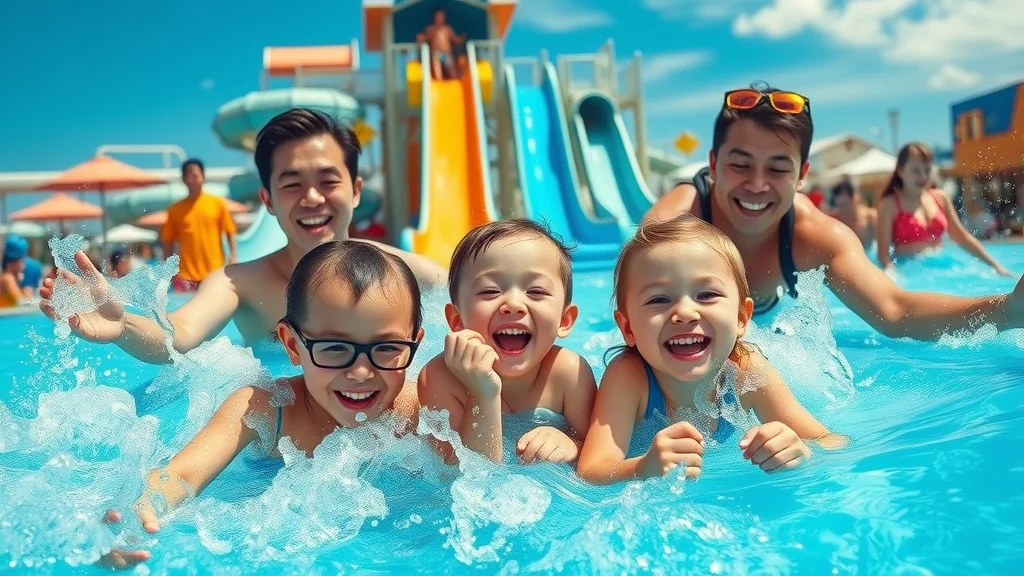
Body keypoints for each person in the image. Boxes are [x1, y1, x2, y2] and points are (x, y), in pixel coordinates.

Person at [96, 240, 425, 569]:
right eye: (334, 348)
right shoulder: (267, 409)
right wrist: (143, 508)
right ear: (292, 345)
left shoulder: (418, 410)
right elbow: (182, 473)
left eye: (387, 348)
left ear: (415, 343)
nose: (360, 371)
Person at [39, 108, 446, 363]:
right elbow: (177, 336)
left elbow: (467, 304)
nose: (312, 197)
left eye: (328, 180)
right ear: (267, 199)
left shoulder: (403, 269)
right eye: (291, 184)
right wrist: (123, 326)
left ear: (355, 190)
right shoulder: (241, 283)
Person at [644, 83, 1024, 340]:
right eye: (740, 164)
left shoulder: (813, 236)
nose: (757, 184)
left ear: (801, 176)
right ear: (712, 164)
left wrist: (1008, 311)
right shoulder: (675, 226)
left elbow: (893, 311)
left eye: (778, 168)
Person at [576, 216, 846, 484]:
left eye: (707, 295)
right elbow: (592, 470)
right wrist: (642, 468)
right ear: (628, 328)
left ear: (741, 318)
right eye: (659, 299)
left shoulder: (746, 370)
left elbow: (832, 441)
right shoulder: (629, 377)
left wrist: (800, 451)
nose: (684, 312)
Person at [417, 220, 597, 465]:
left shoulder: (568, 373)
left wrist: (572, 445)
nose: (513, 304)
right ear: (457, 320)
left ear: (564, 320)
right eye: (490, 291)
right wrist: (483, 394)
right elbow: (464, 475)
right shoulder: (439, 377)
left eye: (536, 292)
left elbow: (599, 457)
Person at [876, 142, 1011, 276]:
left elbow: (962, 237)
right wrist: (894, 276)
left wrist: (995, 266)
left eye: (927, 170)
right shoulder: (889, 205)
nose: (923, 176)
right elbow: (883, 254)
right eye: (916, 171)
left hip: (942, 266)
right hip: (909, 270)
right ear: (900, 171)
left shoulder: (940, 198)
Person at [159, 159, 238, 292]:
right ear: (183, 179)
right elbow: (168, 241)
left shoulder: (217, 203)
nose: (193, 179)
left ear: (203, 176)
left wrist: (233, 256)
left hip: (214, 273)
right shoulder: (175, 210)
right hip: (184, 276)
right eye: (188, 175)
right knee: (184, 311)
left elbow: (230, 231)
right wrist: (168, 269)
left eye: (195, 175)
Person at [415, 9, 467, 80]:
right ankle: (439, 82)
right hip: (436, 54)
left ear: (444, 18)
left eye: (441, 16)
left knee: (453, 73)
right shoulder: (430, 29)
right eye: (438, 16)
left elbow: (455, 39)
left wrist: (461, 39)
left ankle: (455, 81)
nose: (439, 18)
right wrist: (420, 38)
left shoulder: (447, 29)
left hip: (446, 53)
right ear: (434, 18)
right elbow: (425, 38)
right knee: (438, 75)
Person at [828, 179, 876, 250]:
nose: (841, 210)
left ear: (855, 199)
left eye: (845, 205)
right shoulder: (835, 220)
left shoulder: (870, 217)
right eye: (838, 206)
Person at [1, 235, 29, 307]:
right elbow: (23, 303)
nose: (24, 264)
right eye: (22, 261)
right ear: (15, 262)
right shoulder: (8, 278)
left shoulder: (12, 278)